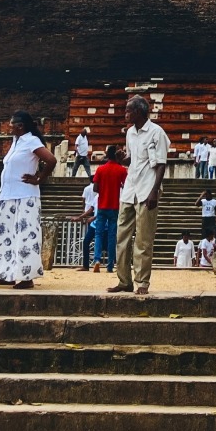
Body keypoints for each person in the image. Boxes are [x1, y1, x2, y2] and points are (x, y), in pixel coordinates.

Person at [0, 112, 56, 288]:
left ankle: (27, 277)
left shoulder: (31, 141)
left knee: (25, 236)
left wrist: (39, 178)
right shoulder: (16, 142)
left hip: (25, 196)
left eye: (12, 124)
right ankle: (6, 272)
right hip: (7, 195)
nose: (9, 127)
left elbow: (51, 160)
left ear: (20, 126)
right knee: (2, 234)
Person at [110, 95, 169, 296]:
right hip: (130, 189)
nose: (125, 114)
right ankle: (124, 280)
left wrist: (155, 191)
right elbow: (133, 160)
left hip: (147, 190)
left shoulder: (156, 133)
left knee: (143, 240)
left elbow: (161, 164)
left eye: (128, 110)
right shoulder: (130, 134)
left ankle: (142, 282)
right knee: (122, 237)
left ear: (140, 112)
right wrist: (122, 159)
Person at [90, 144, 127, 272]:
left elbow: (95, 188)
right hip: (114, 206)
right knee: (112, 236)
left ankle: (97, 259)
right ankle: (110, 264)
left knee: (98, 234)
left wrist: (103, 189)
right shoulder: (121, 170)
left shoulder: (100, 169)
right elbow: (126, 185)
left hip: (102, 205)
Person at [77, 178, 98, 270]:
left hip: (102, 223)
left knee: (105, 244)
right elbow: (92, 209)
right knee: (86, 242)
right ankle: (86, 265)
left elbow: (103, 210)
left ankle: (111, 263)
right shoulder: (97, 197)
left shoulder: (105, 196)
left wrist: (94, 217)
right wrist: (80, 217)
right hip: (95, 223)